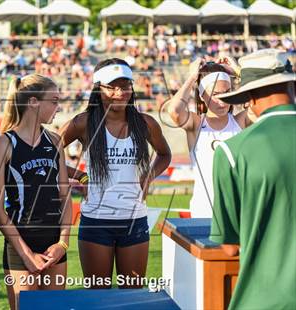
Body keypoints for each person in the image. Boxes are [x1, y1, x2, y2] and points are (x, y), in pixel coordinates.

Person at [59, 58, 171, 288]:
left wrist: (148, 176)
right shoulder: (84, 122)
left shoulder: (146, 123)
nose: (120, 92)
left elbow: (164, 154)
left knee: (131, 294)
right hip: (96, 222)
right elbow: (48, 153)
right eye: (112, 86)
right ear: (98, 89)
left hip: (135, 220)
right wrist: (79, 176)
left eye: (125, 85)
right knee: (98, 296)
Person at [210, 49, 296, 309]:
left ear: (249, 97)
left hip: (264, 300)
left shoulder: (231, 152)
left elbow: (229, 247)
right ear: (291, 85)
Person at [0, 74, 71, 310]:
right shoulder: (3, 143)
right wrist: (26, 255)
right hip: (19, 246)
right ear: (34, 102)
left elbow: (65, 198)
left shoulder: (55, 141)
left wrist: (62, 244)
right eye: (54, 101)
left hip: (54, 247)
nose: (58, 108)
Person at [168, 57, 254, 218]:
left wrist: (239, 73)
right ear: (202, 96)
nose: (222, 101)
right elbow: (174, 111)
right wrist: (193, 77)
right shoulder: (196, 124)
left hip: (240, 213)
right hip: (204, 211)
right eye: (215, 94)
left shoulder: (241, 122)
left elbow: (268, 103)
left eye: (227, 93)